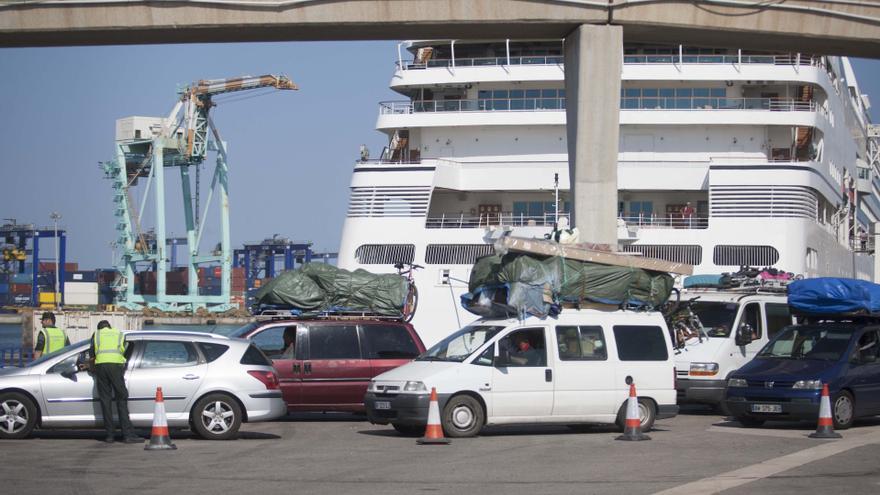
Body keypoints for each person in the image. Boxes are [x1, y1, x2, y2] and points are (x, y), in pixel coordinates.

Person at [91, 320, 139, 444]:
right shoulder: (119, 333)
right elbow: (127, 349)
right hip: (116, 367)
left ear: (99, 328)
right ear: (109, 327)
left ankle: (110, 435)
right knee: (121, 397)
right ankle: (127, 435)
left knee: (105, 400)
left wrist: (91, 368)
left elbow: (91, 355)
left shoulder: (96, 334)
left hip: (101, 367)